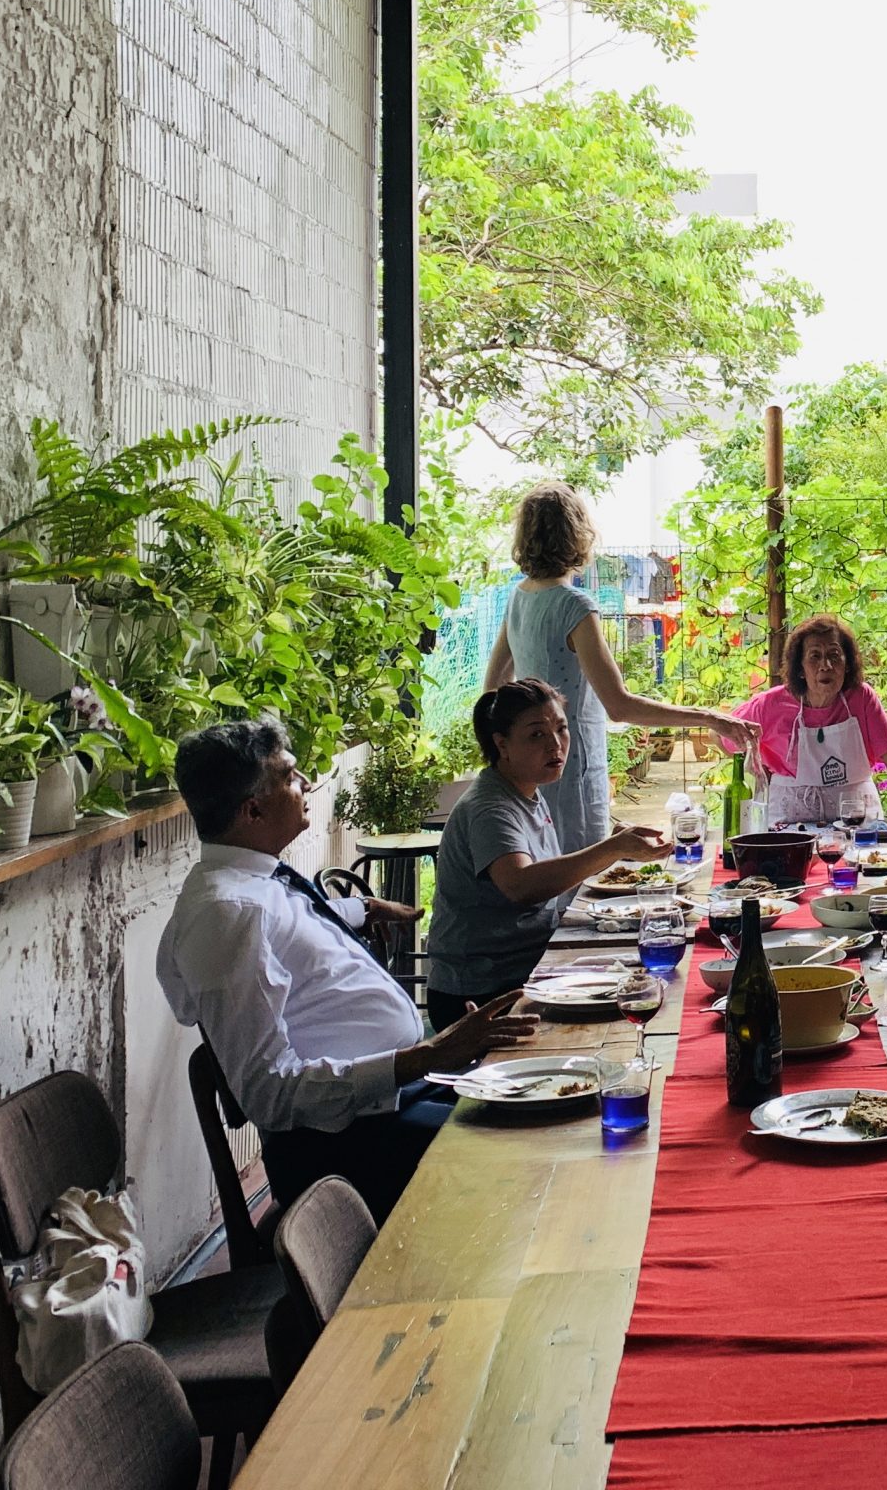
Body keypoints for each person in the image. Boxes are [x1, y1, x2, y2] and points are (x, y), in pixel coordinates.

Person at [156, 717, 541, 1221]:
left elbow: (286, 932)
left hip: (392, 1100)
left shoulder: (244, 883)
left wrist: (363, 910)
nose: (306, 785)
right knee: (526, 1157)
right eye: (291, 777)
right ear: (252, 809)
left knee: (532, 1101)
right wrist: (426, 1055)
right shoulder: (228, 913)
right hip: (343, 1149)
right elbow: (270, 1094)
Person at [482, 483, 756, 853]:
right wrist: (710, 717)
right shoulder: (574, 606)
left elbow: (493, 689)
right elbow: (620, 706)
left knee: (547, 869)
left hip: (532, 767)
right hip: (572, 765)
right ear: (578, 535)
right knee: (576, 877)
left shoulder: (520, 597)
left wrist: (510, 753)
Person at [428, 679, 675, 1031]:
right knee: (633, 1005)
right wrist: (611, 849)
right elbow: (520, 885)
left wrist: (613, 846)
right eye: (536, 736)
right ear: (502, 745)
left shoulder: (524, 789)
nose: (555, 745)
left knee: (646, 977)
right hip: (480, 994)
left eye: (561, 729)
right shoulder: (490, 807)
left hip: (528, 965)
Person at [732, 613, 887, 826]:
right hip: (790, 825)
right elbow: (721, 735)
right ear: (800, 668)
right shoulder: (770, 704)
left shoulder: (862, 698)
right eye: (814, 656)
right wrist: (757, 766)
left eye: (834, 655)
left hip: (858, 823)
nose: (826, 665)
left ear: (847, 664)